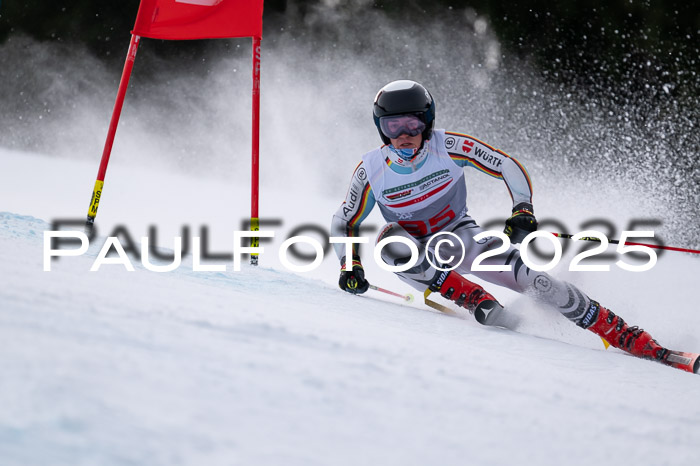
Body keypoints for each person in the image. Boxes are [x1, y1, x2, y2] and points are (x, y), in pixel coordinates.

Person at [330, 79, 699, 374]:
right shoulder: (371, 170)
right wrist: (350, 265)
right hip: (414, 248)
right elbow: (344, 220)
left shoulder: (449, 146)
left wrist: (522, 209)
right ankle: (473, 298)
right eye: (393, 125)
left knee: (539, 284)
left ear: (427, 122)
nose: (404, 134)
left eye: (413, 123)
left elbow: (506, 165)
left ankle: (634, 340)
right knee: (391, 243)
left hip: (460, 237)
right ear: (381, 128)